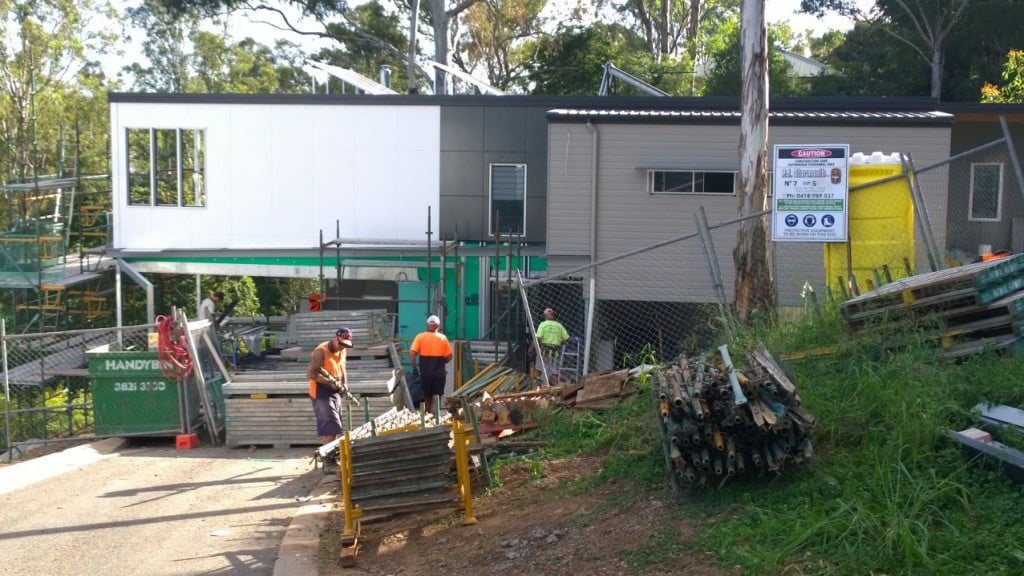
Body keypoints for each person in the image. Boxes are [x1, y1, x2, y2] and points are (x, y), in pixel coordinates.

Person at [307, 327, 353, 467]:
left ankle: (332, 456)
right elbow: (311, 374)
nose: (342, 347)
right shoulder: (321, 351)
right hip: (321, 393)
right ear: (335, 338)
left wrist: (344, 384)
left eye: (345, 345)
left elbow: (342, 367)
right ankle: (327, 461)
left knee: (337, 427)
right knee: (331, 427)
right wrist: (331, 381)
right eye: (341, 344)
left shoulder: (342, 350)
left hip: (335, 391)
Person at [409, 315, 453, 416]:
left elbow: (412, 353)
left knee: (426, 398)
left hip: (425, 374)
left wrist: (414, 368)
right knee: (436, 399)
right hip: (439, 374)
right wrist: (443, 362)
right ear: (438, 325)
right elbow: (450, 356)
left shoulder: (420, 337)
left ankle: (426, 421)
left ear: (427, 325)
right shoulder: (443, 338)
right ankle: (434, 421)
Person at [530, 308, 570, 386]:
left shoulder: (543, 324)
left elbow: (537, 338)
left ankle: (536, 387)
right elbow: (567, 339)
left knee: (539, 369)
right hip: (555, 352)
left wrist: (532, 348)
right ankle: (555, 388)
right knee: (554, 371)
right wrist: (559, 344)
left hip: (544, 351)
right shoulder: (559, 326)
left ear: (544, 315)